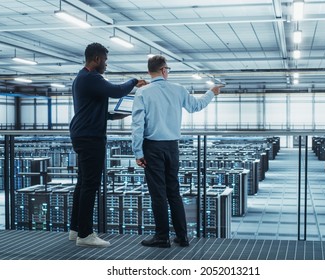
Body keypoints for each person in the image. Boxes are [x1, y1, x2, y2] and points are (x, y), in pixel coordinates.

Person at [131, 55, 224, 248]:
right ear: (164, 70)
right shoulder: (178, 89)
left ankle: (162, 237)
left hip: (152, 147)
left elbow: (138, 125)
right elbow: (195, 106)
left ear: (149, 71)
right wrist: (211, 92)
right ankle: (182, 236)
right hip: (172, 147)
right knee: (173, 192)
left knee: (158, 194)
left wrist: (138, 152)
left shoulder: (142, 93)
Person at [69, 42, 146, 247]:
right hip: (90, 137)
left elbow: (91, 109)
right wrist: (134, 81)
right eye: (105, 60)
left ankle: (75, 229)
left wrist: (115, 115)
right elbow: (117, 90)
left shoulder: (81, 78)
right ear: (97, 59)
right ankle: (85, 235)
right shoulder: (91, 77)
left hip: (82, 133)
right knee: (90, 185)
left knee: (83, 183)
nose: (106, 64)